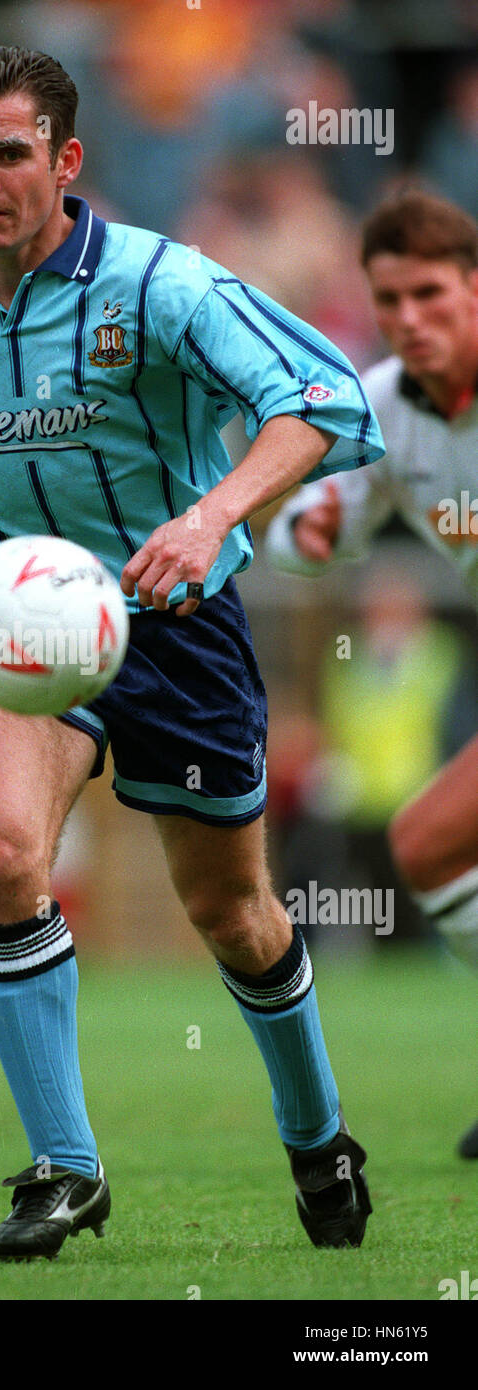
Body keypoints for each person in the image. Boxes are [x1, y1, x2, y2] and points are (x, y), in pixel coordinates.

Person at [0, 46, 383, 1259]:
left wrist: (211, 511)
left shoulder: (157, 285)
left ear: (64, 161)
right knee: (2, 856)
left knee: (231, 914)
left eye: (8, 152)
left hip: (175, 623)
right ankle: (63, 1169)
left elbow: (330, 404)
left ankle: (317, 1132)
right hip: (19, 619)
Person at [266, 190, 478, 1157]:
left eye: (430, 293)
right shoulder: (383, 404)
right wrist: (307, 532)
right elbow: (310, 523)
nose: (408, 319)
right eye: (388, 300)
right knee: (430, 846)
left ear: (473, 290)